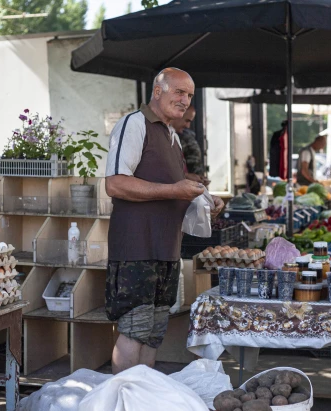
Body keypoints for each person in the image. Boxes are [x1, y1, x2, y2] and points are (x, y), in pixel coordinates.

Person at [104, 67, 224, 374]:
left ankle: (143, 399)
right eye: (179, 92)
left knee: (153, 334)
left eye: (189, 95)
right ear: (158, 91)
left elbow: (172, 190)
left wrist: (202, 200)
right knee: (134, 330)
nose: (185, 101)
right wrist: (175, 189)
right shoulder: (134, 124)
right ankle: (123, 402)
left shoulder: (173, 135)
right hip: (136, 250)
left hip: (166, 250)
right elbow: (115, 183)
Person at [171, 106, 209, 185]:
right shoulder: (161, 137)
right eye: (186, 120)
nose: (188, 126)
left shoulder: (177, 136)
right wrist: (187, 177)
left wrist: (196, 178)